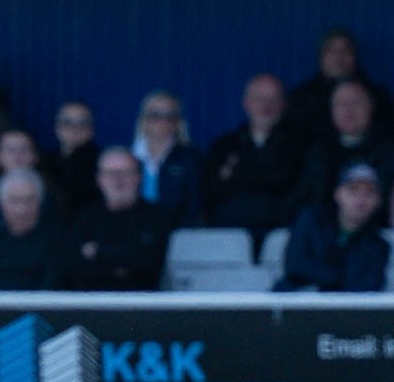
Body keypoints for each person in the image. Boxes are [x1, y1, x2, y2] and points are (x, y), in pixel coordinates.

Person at [204, 73, 303, 240]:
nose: (266, 105)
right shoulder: (223, 146)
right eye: (259, 98)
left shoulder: (301, 146)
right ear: (246, 103)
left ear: (284, 104)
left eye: (273, 99)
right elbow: (211, 195)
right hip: (230, 235)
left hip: (282, 234)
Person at [63, 148, 172, 291]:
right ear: (99, 179)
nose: (117, 180)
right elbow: (72, 264)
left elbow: (151, 262)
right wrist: (121, 263)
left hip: (142, 300)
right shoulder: (86, 218)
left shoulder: (157, 217)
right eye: (110, 173)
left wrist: (99, 252)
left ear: (138, 177)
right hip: (93, 300)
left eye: (125, 173)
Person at [276, 163, 390, 292]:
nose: (361, 199)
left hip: (345, 304)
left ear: (378, 201)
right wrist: (337, 277)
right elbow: (295, 266)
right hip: (296, 299)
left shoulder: (378, 246)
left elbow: (367, 286)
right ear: (337, 193)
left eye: (369, 193)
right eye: (353, 190)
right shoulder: (311, 221)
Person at [289, 80, 394, 218]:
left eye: (356, 103)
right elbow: (302, 197)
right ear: (331, 110)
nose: (348, 109)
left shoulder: (388, 150)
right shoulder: (317, 151)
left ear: (371, 108)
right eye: (341, 104)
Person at [286, 28, 392, 141]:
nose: (338, 57)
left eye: (345, 51)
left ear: (355, 57)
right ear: (320, 57)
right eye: (331, 51)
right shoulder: (301, 98)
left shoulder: (376, 96)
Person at [0, 168, 62, 290]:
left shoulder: (55, 238)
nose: (22, 210)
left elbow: (53, 285)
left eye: (29, 200)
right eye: (14, 201)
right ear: (1, 203)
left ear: (41, 202)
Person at [129, 90, 204, 228]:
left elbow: (196, 207)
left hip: (177, 233)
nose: (163, 122)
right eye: (155, 115)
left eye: (170, 116)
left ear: (178, 122)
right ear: (143, 119)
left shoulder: (191, 159)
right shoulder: (128, 158)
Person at [0, 128, 63, 226]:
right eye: (10, 150)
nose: (17, 156)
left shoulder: (53, 196)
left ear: (35, 156)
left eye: (24, 149)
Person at [51, 101, 101, 215]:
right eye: (67, 122)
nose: (75, 128)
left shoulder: (102, 164)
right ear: (57, 127)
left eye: (83, 123)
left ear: (92, 130)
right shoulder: (45, 161)